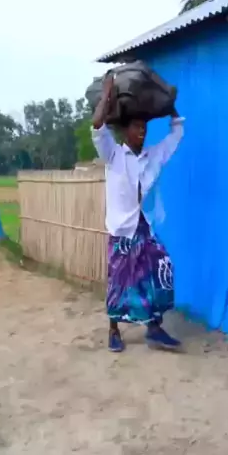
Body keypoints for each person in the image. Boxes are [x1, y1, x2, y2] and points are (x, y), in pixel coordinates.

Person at [91, 74, 185, 352]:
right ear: (125, 131)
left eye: (144, 127)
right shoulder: (113, 155)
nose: (142, 131)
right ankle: (113, 331)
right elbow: (97, 126)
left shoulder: (153, 156)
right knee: (118, 282)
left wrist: (168, 103)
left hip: (145, 228)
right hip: (121, 230)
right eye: (136, 127)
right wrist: (107, 95)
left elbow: (177, 133)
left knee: (159, 270)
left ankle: (154, 328)